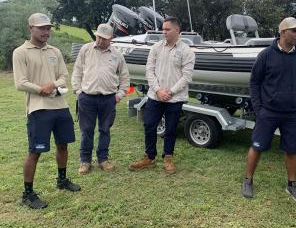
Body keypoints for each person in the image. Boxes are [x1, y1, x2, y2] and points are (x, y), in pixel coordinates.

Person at [13, 13, 81, 209]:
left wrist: (51, 85)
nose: (46, 32)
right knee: (35, 152)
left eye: (48, 28)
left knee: (63, 146)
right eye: (41, 28)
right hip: (38, 109)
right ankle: (27, 193)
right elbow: (20, 82)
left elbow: (63, 76)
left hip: (60, 107)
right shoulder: (21, 52)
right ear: (30, 28)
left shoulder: (55, 51)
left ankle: (61, 180)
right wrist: (40, 89)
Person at [241, 17, 296, 201]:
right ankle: (248, 180)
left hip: (293, 113)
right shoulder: (266, 55)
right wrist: (258, 108)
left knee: (292, 150)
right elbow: (254, 82)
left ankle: (292, 185)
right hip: (268, 112)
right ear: (282, 33)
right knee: (257, 146)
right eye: (294, 31)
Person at [128, 16, 195, 174]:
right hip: (155, 95)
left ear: (177, 30)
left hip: (175, 98)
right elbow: (149, 71)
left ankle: (168, 158)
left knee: (171, 129)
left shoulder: (187, 51)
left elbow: (186, 77)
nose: (163, 32)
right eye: (163, 29)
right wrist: (158, 90)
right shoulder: (156, 48)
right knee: (149, 125)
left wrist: (170, 91)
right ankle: (149, 157)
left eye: (167, 29)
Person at [71, 23, 130, 175]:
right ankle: (85, 161)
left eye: (104, 38)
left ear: (111, 38)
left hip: (108, 99)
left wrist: (120, 94)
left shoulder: (117, 55)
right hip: (87, 98)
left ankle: (103, 159)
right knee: (86, 131)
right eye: (98, 37)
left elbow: (125, 77)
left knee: (105, 130)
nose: (100, 41)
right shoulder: (85, 49)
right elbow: (77, 70)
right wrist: (78, 91)